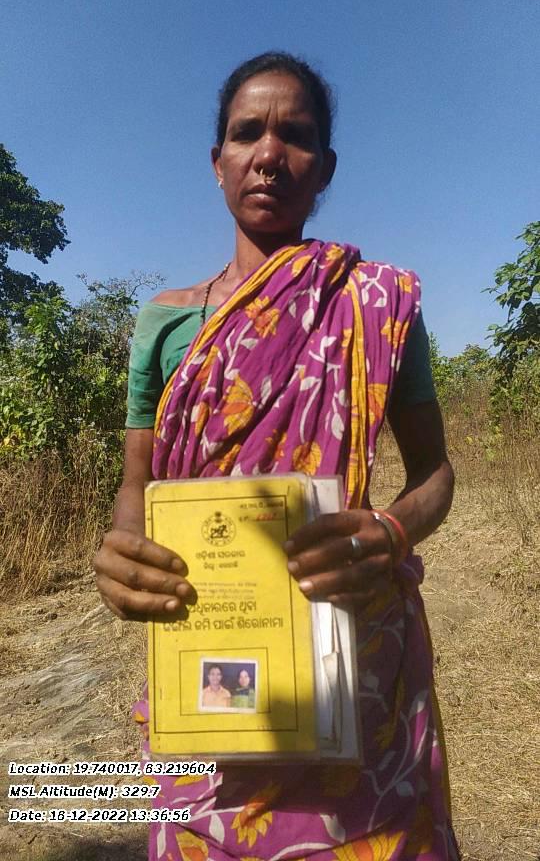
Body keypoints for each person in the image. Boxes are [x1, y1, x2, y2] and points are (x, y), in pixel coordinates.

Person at [94, 51, 460, 860]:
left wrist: (389, 532)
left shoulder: (375, 307)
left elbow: (434, 473)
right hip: (209, 660)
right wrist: (124, 554)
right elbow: (137, 486)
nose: (268, 153)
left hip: (351, 656)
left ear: (324, 166)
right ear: (217, 161)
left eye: (295, 135)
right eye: (246, 133)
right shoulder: (166, 324)